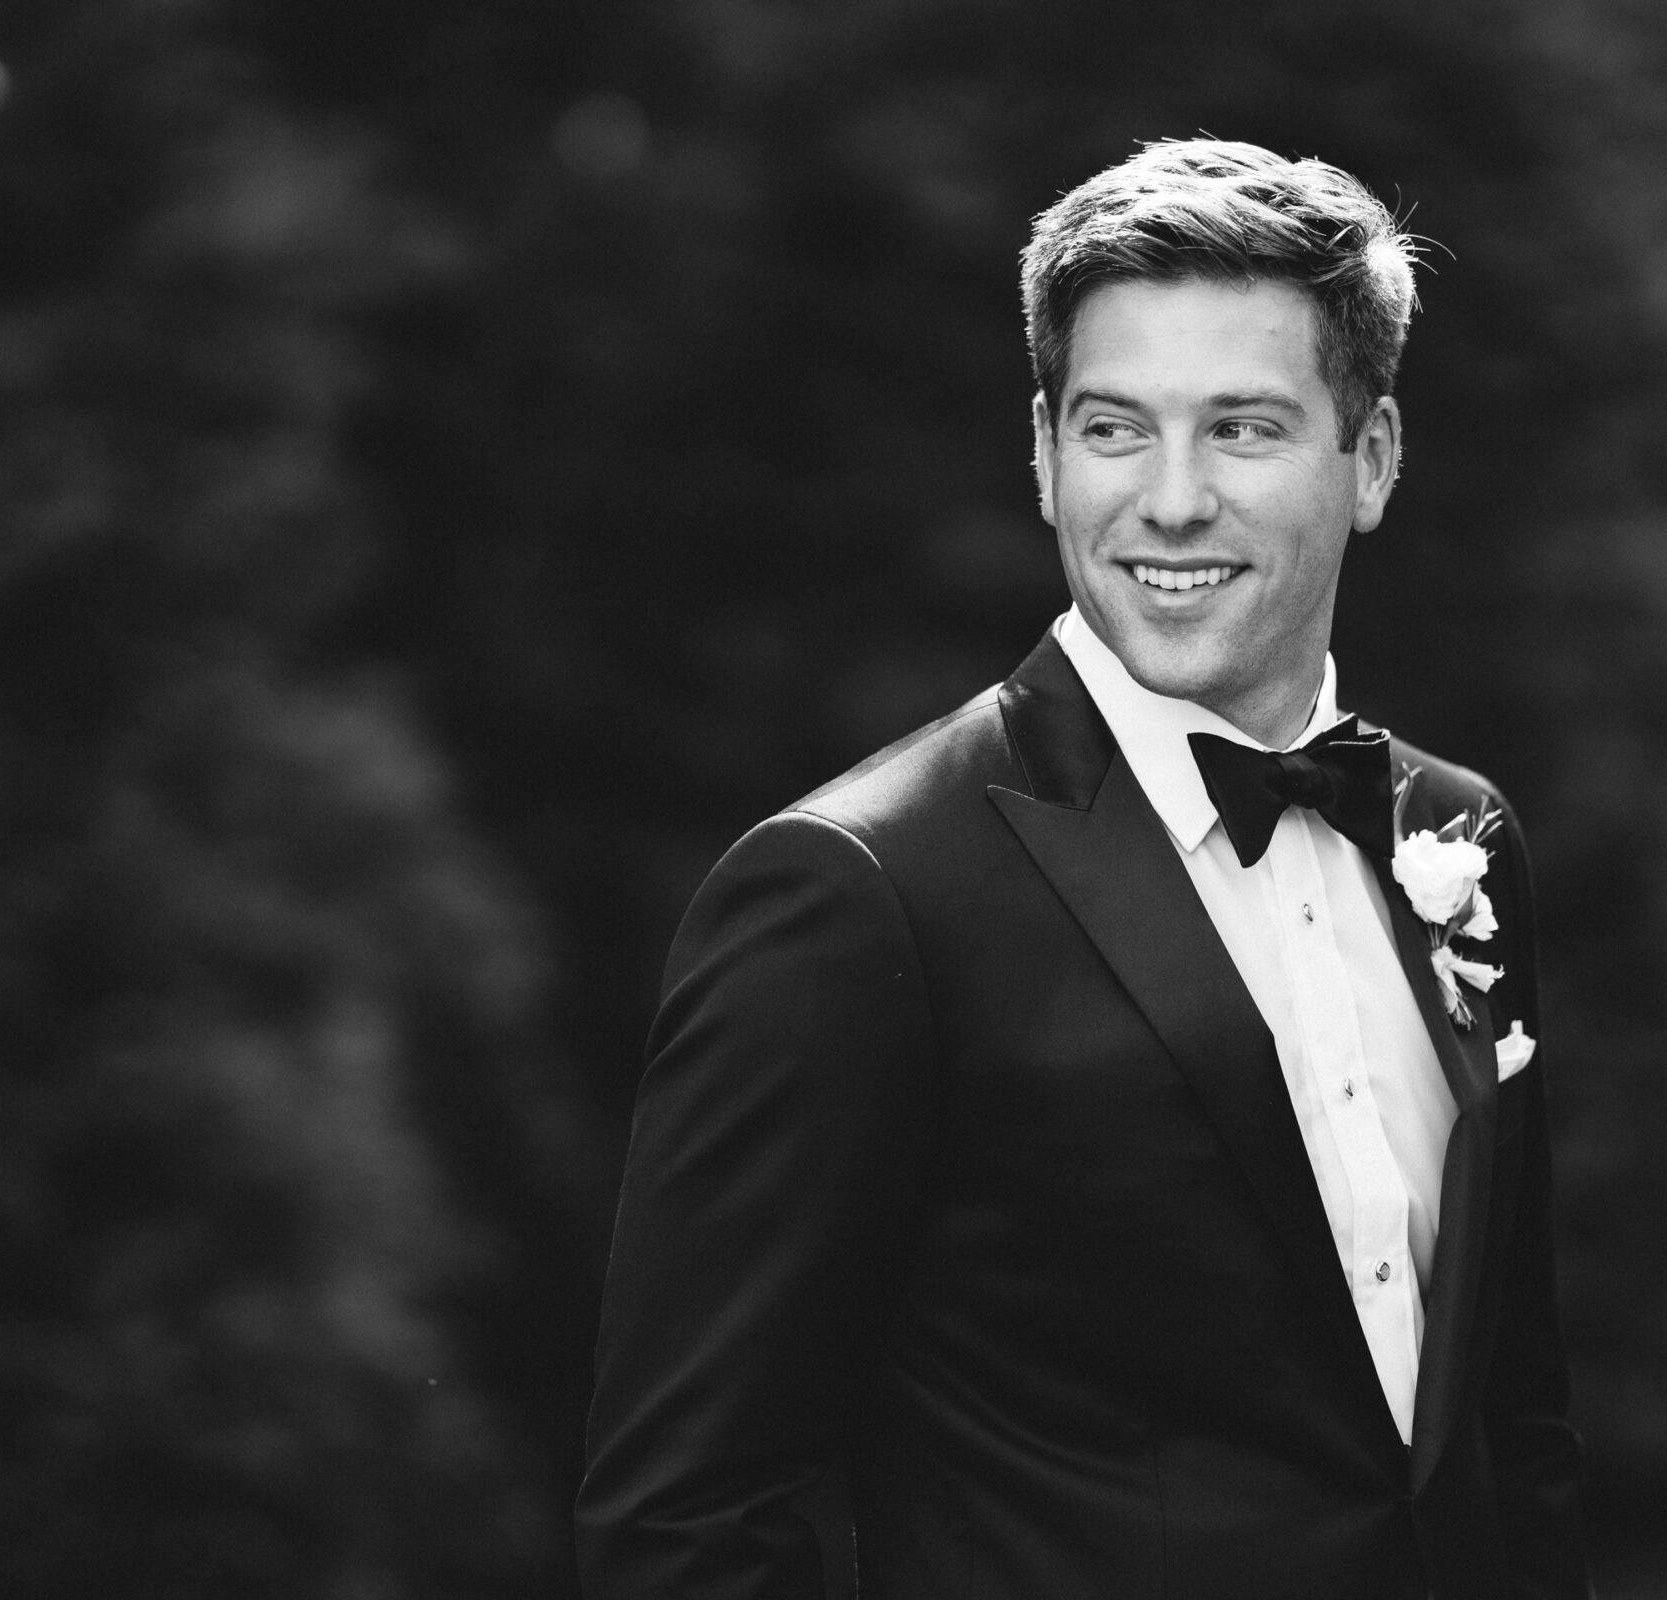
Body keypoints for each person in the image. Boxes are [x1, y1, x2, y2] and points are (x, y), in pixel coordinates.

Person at [575, 138, 1591, 1599]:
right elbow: (689, 1515)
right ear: (1045, 453)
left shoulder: (1457, 834)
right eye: (1117, 429)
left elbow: (1512, 1424)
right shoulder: (857, 892)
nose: (1171, 501)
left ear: (1370, 460)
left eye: (1243, 429)